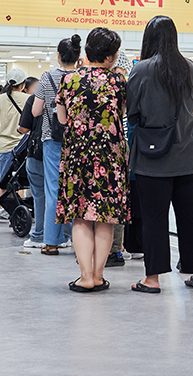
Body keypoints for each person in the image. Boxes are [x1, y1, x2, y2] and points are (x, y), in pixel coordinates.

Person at [127, 16, 193, 294]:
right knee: (190, 216)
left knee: (154, 219)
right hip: (187, 154)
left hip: (152, 158)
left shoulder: (142, 70)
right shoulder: (190, 68)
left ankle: (152, 279)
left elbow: (132, 112)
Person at [55, 27, 128, 292]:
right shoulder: (119, 83)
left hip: (78, 154)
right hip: (110, 156)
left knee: (81, 216)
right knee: (105, 217)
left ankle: (84, 276)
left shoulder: (69, 81)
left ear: (86, 52)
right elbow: (121, 114)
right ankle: (98, 275)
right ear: (111, 57)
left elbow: (62, 119)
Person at [33, 36, 81, 255]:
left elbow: (35, 111)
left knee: (53, 188)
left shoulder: (47, 78)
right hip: (78, 140)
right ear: (78, 56)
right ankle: (78, 240)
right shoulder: (81, 77)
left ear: (59, 56)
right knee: (76, 189)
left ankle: (51, 241)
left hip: (52, 139)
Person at [0, 68, 29, 216]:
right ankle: (16, 216)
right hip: (23, 148)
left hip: (4, 147)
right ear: (23, 84)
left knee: (3, 182)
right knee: (20, 183)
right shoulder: (28, 99)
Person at [106, 49, 133, 268]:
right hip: (119, 145)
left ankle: (113, 248)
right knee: (115, 198)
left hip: (111, 145)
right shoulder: (123, 87)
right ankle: (114, 249)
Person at [17, 83, 46, 249]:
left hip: (37, 152)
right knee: (59, 196)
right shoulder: (71, 92)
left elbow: (24, 127)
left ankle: (38, 235)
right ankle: (64, 235)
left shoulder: (34, 99)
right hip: (64, 152)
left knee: (39, 196)